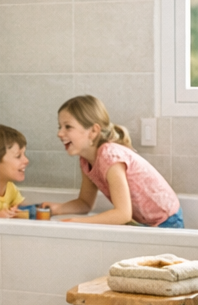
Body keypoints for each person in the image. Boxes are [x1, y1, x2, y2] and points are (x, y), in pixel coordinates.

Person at [44, 95, 182, 227]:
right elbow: (85, 203)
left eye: (68, 127)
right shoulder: (86, 160)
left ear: (93, 131)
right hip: (145, 222)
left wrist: (78, 222)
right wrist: (58, 209)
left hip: (166, 221)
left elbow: (123, 214)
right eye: (59, 127)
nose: (59, 133)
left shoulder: (109, 157)